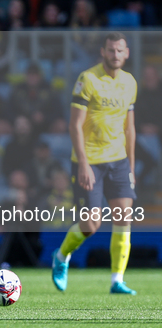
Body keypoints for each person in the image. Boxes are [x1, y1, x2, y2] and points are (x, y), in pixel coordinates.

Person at [52, 32, 138, 295]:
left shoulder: (130, 83)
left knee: (124, 217)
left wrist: (131, 168)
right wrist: (83, 164)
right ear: (102, 52)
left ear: (126, 53)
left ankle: (116, 280)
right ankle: (61, 256)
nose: (115, 55)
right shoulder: (87, 79)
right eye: (110, 50)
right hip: (90, 162)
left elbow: (129, 129)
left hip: (119, 161)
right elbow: (75, 125)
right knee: (91, 225)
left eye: (119, 51)